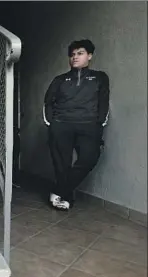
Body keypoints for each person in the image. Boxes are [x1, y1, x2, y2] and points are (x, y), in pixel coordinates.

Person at [42, 39, 110, 210]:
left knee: (89, 158)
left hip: (88, 125)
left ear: (89, 56)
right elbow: (48, 101)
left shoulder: (100, 77)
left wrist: (99, 123)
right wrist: (52, 123)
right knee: (61, 164)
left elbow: (104, 101)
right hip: (62, 124)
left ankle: (59, 191)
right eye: (72, 54)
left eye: (80, 53)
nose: (75, 57)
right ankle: (66, 199)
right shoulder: (60, 80)